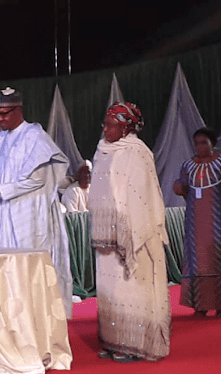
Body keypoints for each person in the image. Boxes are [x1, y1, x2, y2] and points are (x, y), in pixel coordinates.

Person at [0, 87, 73, 318]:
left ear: (18, 110)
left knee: (27, 268)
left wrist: (0, 188)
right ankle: (7, 318)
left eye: (5, 113)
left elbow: (37, 181)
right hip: (2, 213)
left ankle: (34, 319)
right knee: (2, 266)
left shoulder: (35, 137)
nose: (0, 119)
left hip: (28, 214)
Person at [89, 102, 170, 362]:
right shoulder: (102, 150)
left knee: (132, 289)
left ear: (126, 127)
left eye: (111, 124)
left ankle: (136, 345)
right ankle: (113, 341)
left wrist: (129, 230)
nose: (105, 128)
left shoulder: (137, 152)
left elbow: (142, 197)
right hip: (106, 237)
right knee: (111, 289)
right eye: (105, 123)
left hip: (134, 237)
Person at [173, 127, 221, 319]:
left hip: (219, 221)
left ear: (212, 143)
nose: (200, 146)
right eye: (196, 143)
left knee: (219, 260)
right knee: (197, 261)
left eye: (204, 142)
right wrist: (179, 188)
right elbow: (185, 189)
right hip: (195, 222)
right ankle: (200, 305)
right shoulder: (188, 165)